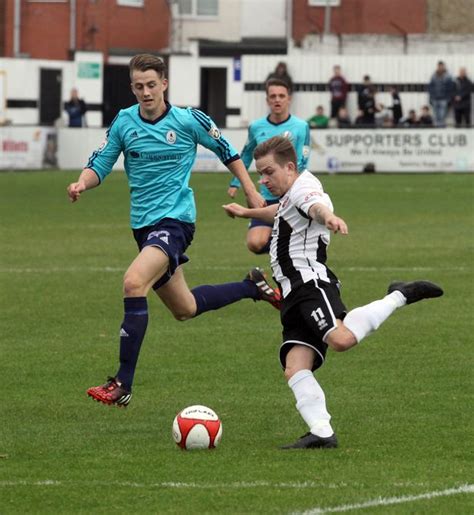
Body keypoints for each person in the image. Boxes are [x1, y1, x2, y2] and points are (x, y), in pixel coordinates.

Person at [66, 54, 280, 407]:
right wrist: (81, 183)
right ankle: (251, 287)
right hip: (143, 227)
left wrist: (250, 189)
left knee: (134, 282)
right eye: (138, 86)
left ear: (164, 83)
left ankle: (122, 384)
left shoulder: (188, 120)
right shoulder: (124, 122)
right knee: (185, 308)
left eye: (151, 85)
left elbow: (227, 151)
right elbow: (101, 163)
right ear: (132, 87)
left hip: (175, 222)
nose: (145, 92)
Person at [223, 136, 443, 449]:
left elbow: (315, 206)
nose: (264, 179)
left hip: (310, 284)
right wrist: (247, 214)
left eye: (269, 172)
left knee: (340, 339)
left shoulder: (304, 188)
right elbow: (283, 213)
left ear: (290, 166)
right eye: (261, 173)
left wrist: (329, 217)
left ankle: (400, 295)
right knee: (295, 367)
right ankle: (322, 433)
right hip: (292, 292)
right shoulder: (290, 193)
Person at [227, 78, 310, 255]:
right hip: (265, 195)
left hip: (291, 194)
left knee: (292, 245)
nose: (277, 99)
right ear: (267, 100)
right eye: (273, 96)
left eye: (281, 96)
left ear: (289, 99)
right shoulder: (256, 127)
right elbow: (246, 154)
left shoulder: (301, 127)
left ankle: (288, 248)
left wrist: (295, 186)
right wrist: (236, 182)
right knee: (255, 243)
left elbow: (303, 160)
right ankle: (286, 241)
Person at [428, 61, 455, 127]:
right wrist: (431, 97)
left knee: (442, 116)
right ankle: (437, 129)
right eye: (439, 66)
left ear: (443, 66)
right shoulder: (434, 76)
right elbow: (430, 87)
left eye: (441, 66)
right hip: (435, 99)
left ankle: (441, 130)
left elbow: (450, 88)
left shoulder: (448, 76)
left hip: (444, 99)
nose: (440, 67)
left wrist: (449, 98)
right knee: (436, 116)